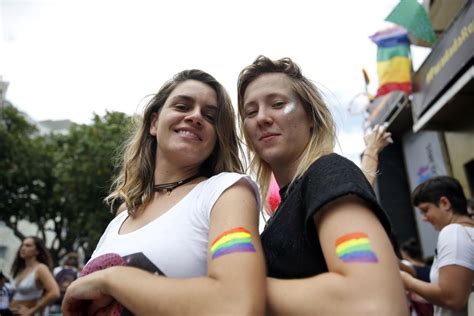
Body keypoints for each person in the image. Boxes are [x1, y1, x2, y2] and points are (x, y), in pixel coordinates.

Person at [62, 69, 265, 315]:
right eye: (182, 106)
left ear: (216, 138)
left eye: (210, 116)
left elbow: (239, 304)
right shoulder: (122, 216)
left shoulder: (226, 193)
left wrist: (111, 279)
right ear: (154, 123)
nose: (195, 117)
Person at [237, 55, 409, 315]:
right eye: (250, 112)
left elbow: (374, 302)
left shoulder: (328, 171)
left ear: (311, 119)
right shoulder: (283, 208)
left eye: (277, 104)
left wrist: (232, 290)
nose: (261, 117)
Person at [401, 176, 474, 315]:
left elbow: (453, 298)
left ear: (444, 203)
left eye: (425, 210)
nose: (424, 218)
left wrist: (408, 281)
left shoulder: (454, 232)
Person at [9, 236, 60, 316]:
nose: (23, 248)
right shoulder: (21, 269)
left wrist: (32, 311)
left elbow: (55, 292)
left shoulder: (41, 269)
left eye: (28, 245)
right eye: (22, 245)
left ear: (37, 251)